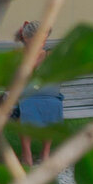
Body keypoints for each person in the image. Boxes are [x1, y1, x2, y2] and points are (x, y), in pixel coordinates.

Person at [9, 18, 63, 163]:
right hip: (24, 98)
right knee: (26, 106)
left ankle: (45, 152)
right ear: (26, 39)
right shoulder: (18, 56)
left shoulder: (50, 55)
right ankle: (27, 153)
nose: (42, 44)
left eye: (44, 40)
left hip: (49, 96)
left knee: (53, 106)